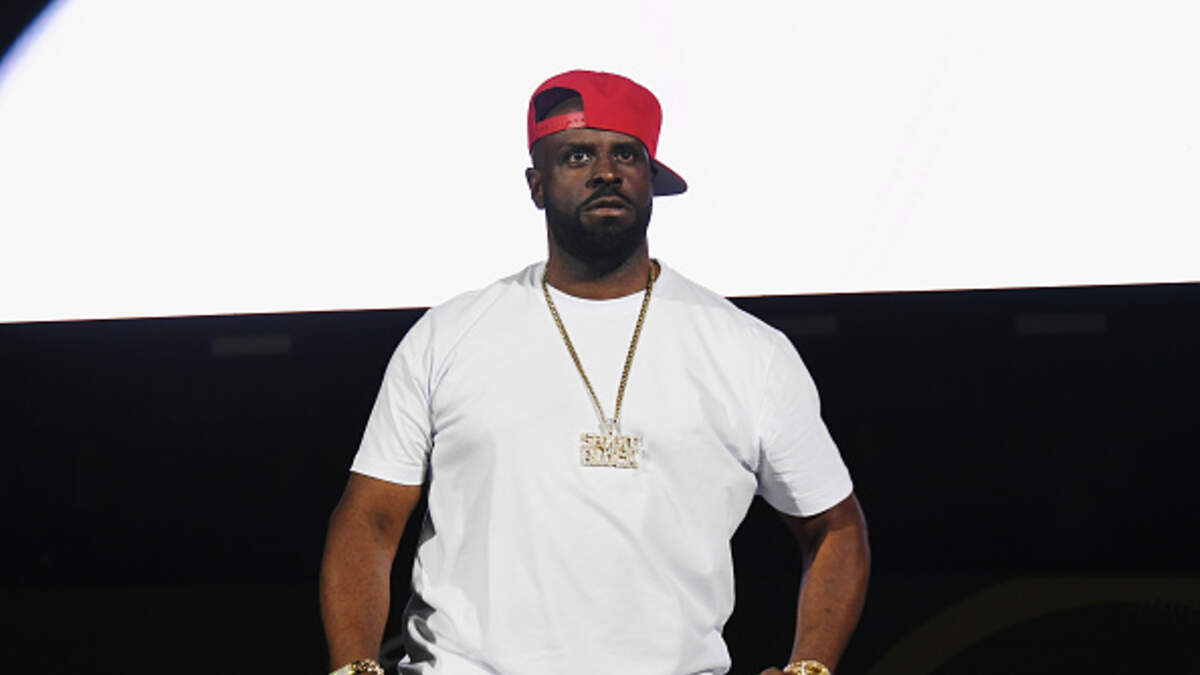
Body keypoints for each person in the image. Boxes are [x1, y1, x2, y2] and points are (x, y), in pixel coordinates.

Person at [319, 69, 870, 675]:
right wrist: (353, 668)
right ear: (536, 185)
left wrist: (810, 668)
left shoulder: (748, 350)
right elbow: (370, 519)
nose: (606, 171)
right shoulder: (448, 335)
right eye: (578, 155)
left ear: (651, 180)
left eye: (626, 155)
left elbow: (835, 527)